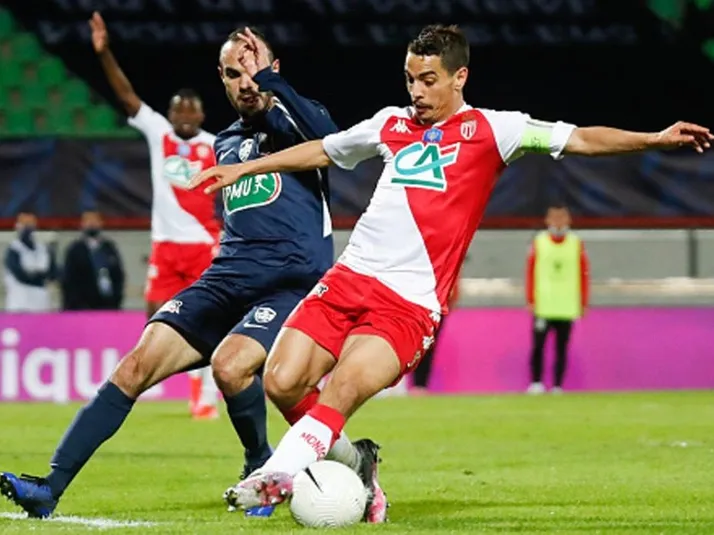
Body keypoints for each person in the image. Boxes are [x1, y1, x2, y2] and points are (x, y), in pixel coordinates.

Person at [187, 24, 712, 516]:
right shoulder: (389, 123)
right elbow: (323, 150)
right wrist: (245, 167)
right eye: (410, 79)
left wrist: (653, 138)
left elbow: (579, 139)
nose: (416, 91)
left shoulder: (495, 129)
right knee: (281, 381)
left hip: (408, 303)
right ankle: (357, 463)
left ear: (460, 77)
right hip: (347, 279)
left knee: (342, 387)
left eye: (428, 80)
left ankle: (276, 473)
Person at [0, 27, 345, 521]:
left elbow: (332, 140)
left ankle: (258, 464)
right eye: (234, 73)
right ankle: (49, 487)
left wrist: (272, 84)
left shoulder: (301, 124)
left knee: (230, 366)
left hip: (289, 284)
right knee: (134, 367)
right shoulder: (225, 143)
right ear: (221, 79)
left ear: (274, 68)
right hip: (226, 279)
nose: (246, 82)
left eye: (254, 70)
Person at [89, 11, 219, 418]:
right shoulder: (159, 133)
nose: (183, 117)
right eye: (178, 111)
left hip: (203, 246)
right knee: (154, 319)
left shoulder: (217, 146)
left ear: (201, 116)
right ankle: (144, 378)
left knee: (207, 319)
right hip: (165, 246)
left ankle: (204, 391)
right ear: (171, 114)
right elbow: (127, 96)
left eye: (190, 112)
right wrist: (104, 53)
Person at [525, 203, 589, 394]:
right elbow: (530, 272)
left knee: (562, 348)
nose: (558, 222)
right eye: (554, 217)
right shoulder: (539, 242)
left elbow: (584, 274)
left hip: (566, 305)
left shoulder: (576, 243)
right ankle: (536, 382)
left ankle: (558, 385)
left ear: (568, 219)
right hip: (544, 305)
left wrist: (583, 301)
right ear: (547, 220)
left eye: (562, 217)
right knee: (538, 346)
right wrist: (531, 298)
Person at [61, 211, 125, 311]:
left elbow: (118, 275)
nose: (91, 224)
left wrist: (116, 298)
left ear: (101, 223)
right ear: (82, 224)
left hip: (108, 304)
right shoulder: (75, 249)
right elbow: (68, 279)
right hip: (81, 305)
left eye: (95, 221)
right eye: (88, 221)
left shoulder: (109, 248)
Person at [410, 278, 459, 394]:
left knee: (426, 345)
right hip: (418, 303)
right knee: (417, 344)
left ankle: (419, 385)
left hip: (436, 305)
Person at [3, 212, 58, 312]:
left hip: (41, 303)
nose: (28, 227)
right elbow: (19, 274)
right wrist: (40, 276)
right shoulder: (13, 250)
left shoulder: (43, 249)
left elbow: (52, 273)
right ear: (18, 226)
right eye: (24, 224)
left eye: (30, 224)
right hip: (20, 304)